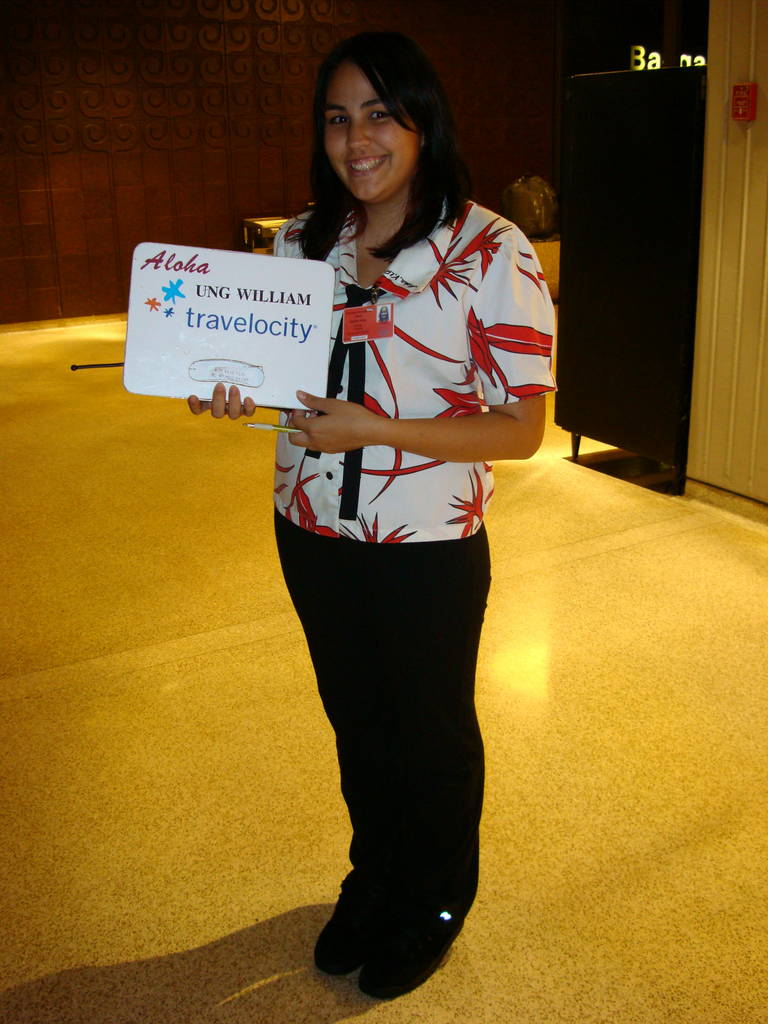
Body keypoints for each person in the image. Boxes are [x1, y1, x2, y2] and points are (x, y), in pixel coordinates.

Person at [189, 31, 556, 1000]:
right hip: (310, 528)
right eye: (338, 118)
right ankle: (376, 874)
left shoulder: (490, 250)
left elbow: (523, 427)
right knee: (356, 718)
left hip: (425, 543)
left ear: (422, 122)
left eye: (380, 115)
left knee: (430, 730)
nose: (357, 140)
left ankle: (433, 899)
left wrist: (377, 429)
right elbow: (280, 381)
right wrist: (232, 386)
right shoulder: (299, 243)